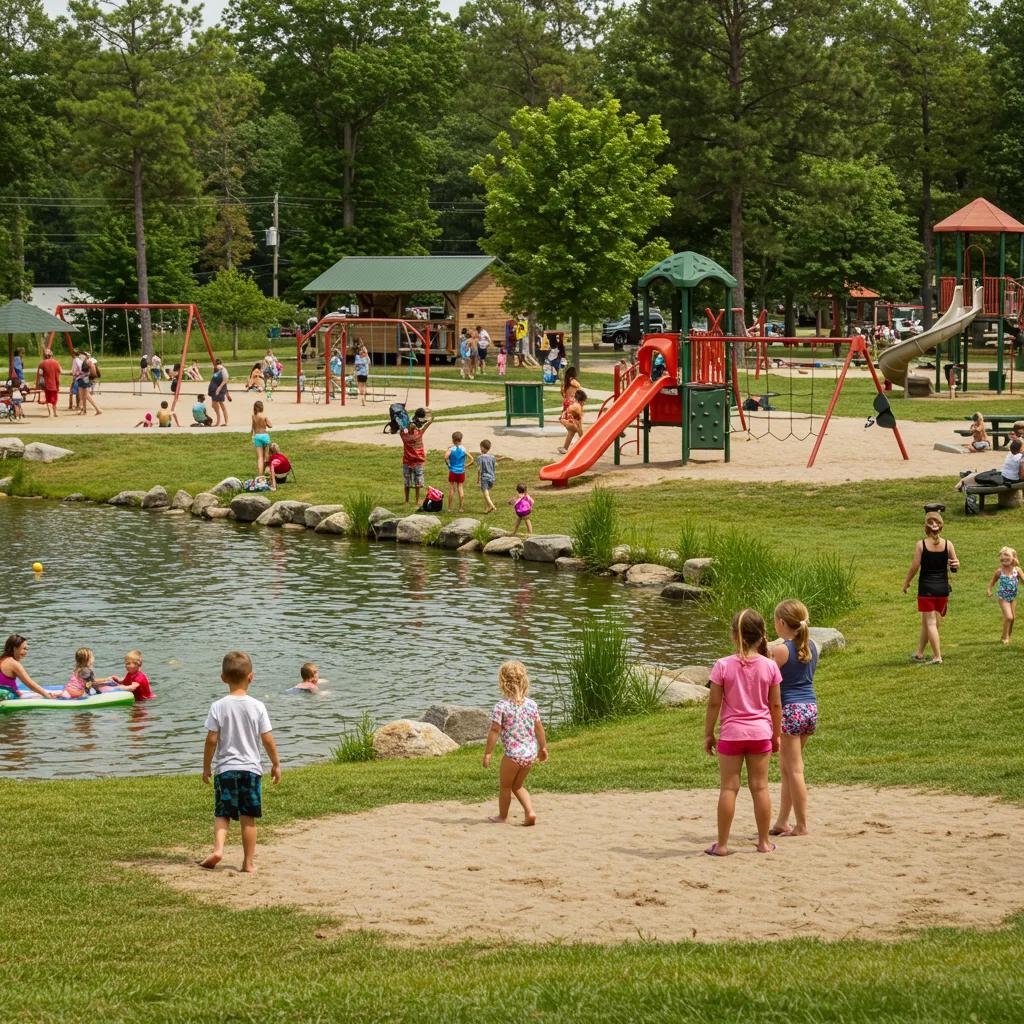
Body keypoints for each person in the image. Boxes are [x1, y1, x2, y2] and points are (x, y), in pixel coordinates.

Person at [703, 608, 782, 856]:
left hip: (731, 734)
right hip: (760, 733)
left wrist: (708, 733)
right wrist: (776, 735)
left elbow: (714, 703)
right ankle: (764, 842)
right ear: (762, 635)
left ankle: (722, 845)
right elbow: (775, 705)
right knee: (760, 788)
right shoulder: (770, 666)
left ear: (734, 636)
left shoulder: (722, 665)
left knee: (729, 788)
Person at [200, 650, 281, 872]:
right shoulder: (257, 706)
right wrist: (276, 764)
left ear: (223, 678)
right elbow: (267, 739)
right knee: (248, 817)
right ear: (251, 677)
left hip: (226, 769)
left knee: (222, 813)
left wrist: (206, 767)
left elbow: (211, 740)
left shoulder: (218, 706)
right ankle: (248, 863)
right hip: (251, 770)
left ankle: (218, 850)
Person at [769, 600, 818, 838]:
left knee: (795, 770)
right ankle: (782, 821)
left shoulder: (782, 650)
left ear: (781, 623)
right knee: (788, 767)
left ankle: (801, 825)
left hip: (790, 710)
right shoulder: (812, 646)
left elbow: (766, 677)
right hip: (809, 708)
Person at [482, 660, 548, 825]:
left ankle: (502, 816)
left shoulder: (501, 707)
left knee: (505, 786)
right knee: (517, 786)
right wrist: (543, 747)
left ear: (502, 683)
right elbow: (539, 729)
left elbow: (495, 731)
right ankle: (530, 812)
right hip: (529, 754)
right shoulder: (532, 705)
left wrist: (488, 753)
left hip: (512, 755)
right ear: (524, 681)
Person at [902, 511, 959, 665]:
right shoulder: (948, 544)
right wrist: (956, 565)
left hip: (927, 588)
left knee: (931, 623)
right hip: (943, 589)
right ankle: (919, 653)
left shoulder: (921, 544)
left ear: (926, 527)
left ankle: (937, 656)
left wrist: (906, 582)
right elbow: (954, 567)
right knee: (927, 622)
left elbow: (915, 566)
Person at [0, 634, 56, 700]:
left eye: (26, 649)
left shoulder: (2, 659)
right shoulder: (13, 663)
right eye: (24, 649)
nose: (26, 652)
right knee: (44, 695)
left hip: (4, 692)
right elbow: (29, 683)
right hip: (6, 697)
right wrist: (47, 695)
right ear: (15, 648)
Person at [955, 438, 1023, 492]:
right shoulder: (1021, 457)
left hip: (1004, 475)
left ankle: (964, 481)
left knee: (991, 473)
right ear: (1020, 448)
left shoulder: (1009, 453)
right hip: (1012, 479)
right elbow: (1021, 476)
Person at [987, 546, 1021, 644]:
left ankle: (1007, 636)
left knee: (1013, 618)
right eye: (1001, 556)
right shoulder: (999, 571)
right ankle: (1005, 638)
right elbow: (992, 582)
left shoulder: (1017, 570)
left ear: (1013, 557)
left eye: (1006, 555)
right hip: (1003, 597)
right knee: (1009, 617)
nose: (1003, 557)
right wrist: (989, 590)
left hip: (1013, 597)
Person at [400, 408, 432, 505]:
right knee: (418, 482)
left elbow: (401, 427)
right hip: (418, 461)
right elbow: (426, 425)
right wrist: (430, 419)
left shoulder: (404, 435)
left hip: (407, 461)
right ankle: (417, 501)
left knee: (407, 482)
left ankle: (406, 501)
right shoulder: (418, 434)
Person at [444, 430, 473, 513]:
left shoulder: (451, 449)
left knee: (451, 488)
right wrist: (466, 465)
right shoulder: (463, 449)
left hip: (453, 471)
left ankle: (449, 508)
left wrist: (448, 464)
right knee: (460, 487)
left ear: (453, 440)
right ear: (461, 439)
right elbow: (472, 459)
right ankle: (461, 508)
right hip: (461, 471)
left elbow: (445, 457)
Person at [558, 389, 586, 455]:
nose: (584, 403)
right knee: (579, 431)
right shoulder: (578, 407)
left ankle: (565, 448)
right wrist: (581, 435)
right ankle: (583, 444)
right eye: (584, 402)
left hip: (565, 420)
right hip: (569, 422)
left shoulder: (574, 404)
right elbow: (578, 423)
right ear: (581, 401)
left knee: (571, 433)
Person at [36, 350, 61, 418]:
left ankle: (51, 413)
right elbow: (60, 371)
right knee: (54, 399)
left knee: (48, 399)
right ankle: (55, 413)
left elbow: (40, 374)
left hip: (47, 384)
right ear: (51, 355)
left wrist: (38, 384)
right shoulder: (56, 363)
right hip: (55, 383)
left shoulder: (42, 363)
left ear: (44, 356)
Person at [76, 351, 102, 416]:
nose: (80, 356)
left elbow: (85, 372)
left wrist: (78, 373)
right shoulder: (87, 362)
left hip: (84, 379)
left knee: (86, 395)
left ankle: (98, 409)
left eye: (81, 355)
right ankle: (84, 411)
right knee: (83, 396)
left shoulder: (86, 362)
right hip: (85, 379)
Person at [251, 400, 272, 475]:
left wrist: (252, 437)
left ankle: (260, 476)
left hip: (257, 436)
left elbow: (253, 427)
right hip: (265, 436)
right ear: (262, 407)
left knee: (260, 458)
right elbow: (270, 425)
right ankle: (268, 473)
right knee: (266, 456)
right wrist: (266, 421)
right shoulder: (264, 416)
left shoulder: (253, 416)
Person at [477, 439, 498, 513]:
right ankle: (487, 508)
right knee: (487, 493)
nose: (480, 448)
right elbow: (494, 467)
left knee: (486, 494)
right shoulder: (492, 457)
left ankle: (492, 506)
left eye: (480, 447)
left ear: (483, 447)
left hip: (484, 478)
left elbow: (479, 469)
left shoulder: (480, 458)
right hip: (492, 478)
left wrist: (478, 479)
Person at [208, 358, 229, 426]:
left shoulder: (223, 370)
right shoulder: (216, 369)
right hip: (214, 389)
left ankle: (225, 422)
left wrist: (219, 389)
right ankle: (218, 421)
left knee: (221, 404)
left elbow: (225, 380)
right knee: (215, 405)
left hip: (219, 389)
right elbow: (214, 378)